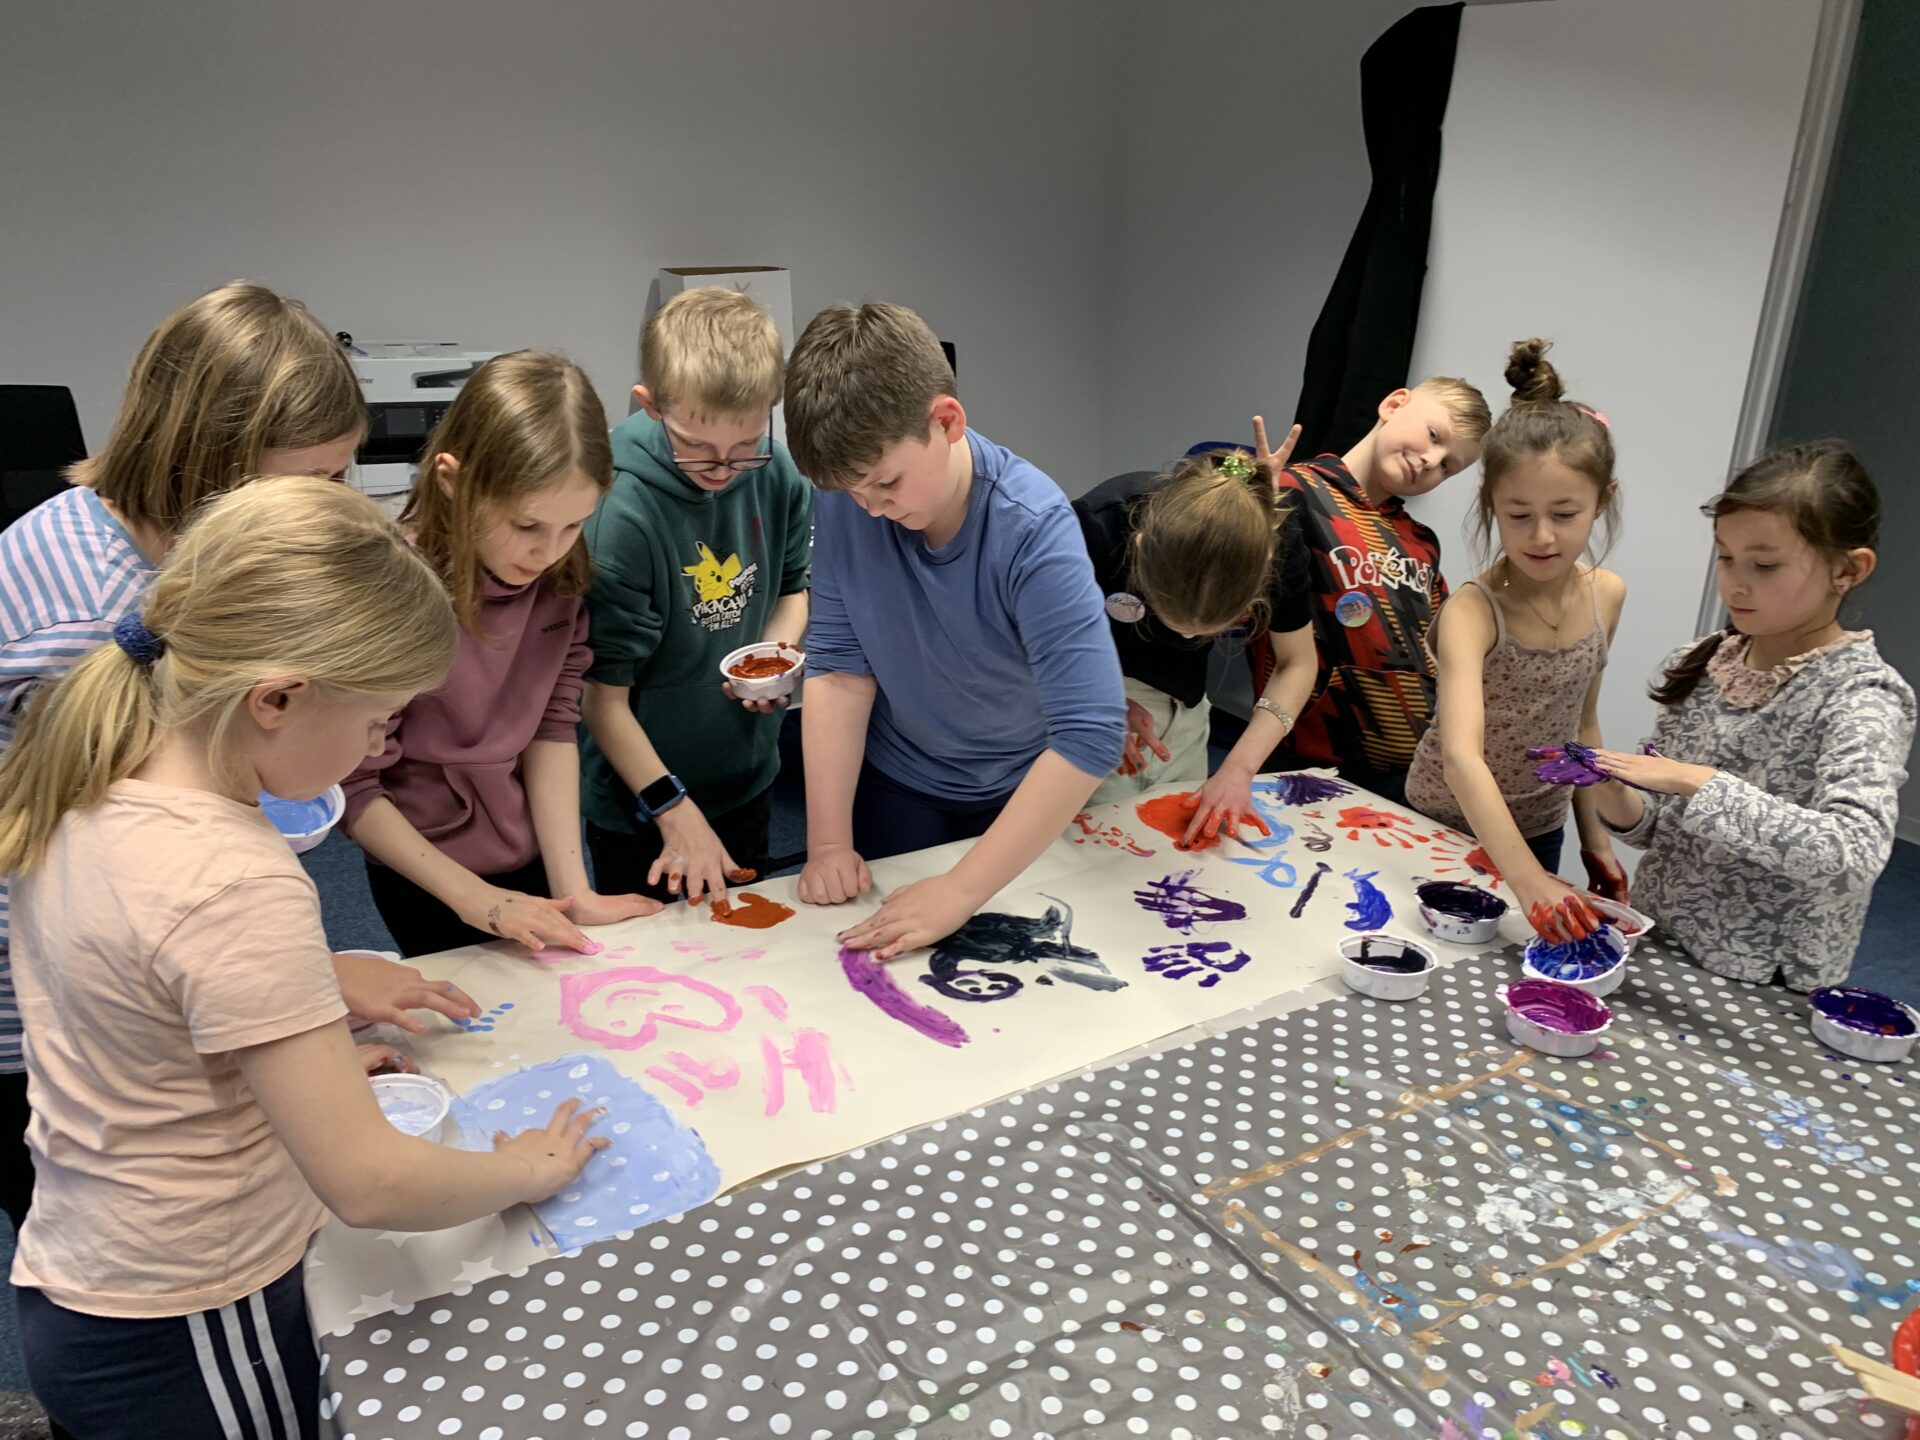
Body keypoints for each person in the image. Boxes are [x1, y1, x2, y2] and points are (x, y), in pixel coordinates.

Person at [0, 480, 606, 1437]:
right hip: (191, 1314)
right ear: (278, 698)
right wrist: (528, 1171)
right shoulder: (234, 877)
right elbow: (372, 1183)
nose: (374, 747)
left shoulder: (95, 769)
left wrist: (301, 1061)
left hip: (90, 1267)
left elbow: (142, 1012)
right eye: (375, 723)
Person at [0, 281, 469, 1235]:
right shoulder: (82, 625)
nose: (328, 504)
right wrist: (291, 1022)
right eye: (310, 480)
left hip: (158, 984)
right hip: (68, 1023)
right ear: (208, 468)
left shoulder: (159, 559)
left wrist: (296, 999)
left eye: (340, 476)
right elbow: (142, 901)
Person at [783, 302, 1125, 958]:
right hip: (899, 774)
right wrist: (827, 843)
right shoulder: (849, 492)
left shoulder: (1034, 527)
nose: (869, 509)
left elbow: (1091, 729)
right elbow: (838, 663)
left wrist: (963, 889)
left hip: (1017, 789)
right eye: (851, 492)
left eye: (885, 484)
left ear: (946, 421)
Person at [344, 351, 660, 957]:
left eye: (574, 526)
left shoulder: (558, 581)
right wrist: (475, 899)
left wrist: (574, 892)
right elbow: (354, 788)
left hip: (526, 843)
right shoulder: (393, 592)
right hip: (425, 868)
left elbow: (552, 729)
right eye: (526, 526)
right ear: (452, 481)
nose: (549, 552)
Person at [1573, 441, 1913, 990]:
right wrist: (1611, 788)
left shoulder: (1862, 694)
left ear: (1848, 570)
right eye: (1725, 557)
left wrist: (1697, 781)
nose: (1735, 582)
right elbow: (1658, 829)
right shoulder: (1701, 661)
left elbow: (1853, 854)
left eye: (1765, 564)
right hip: (1659, 944)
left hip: (1764, 982)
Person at [580, 288, 812, 906]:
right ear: (651, 405)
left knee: (745, 935)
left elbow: (793, 587)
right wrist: (672, 809)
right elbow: (601, 699)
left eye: (745, 445)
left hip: (745, 773)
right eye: (698, 446)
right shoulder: (617, 516)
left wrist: (772, 658)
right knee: (653, 953)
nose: (723, 469)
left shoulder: (778, 474)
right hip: (641, 796)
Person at [1404, 340, 1626, 942]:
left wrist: (1596, 842)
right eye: (1519, 515)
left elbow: (1581, 728)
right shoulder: (1473, 611)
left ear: (1601, 502)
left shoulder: (1607, 595)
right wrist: (1525, 879)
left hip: (1540, 827)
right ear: (1491, 505)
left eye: (1565, 514)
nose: (1542, 536)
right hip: (1444, 823)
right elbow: (1461, 757)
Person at [1262, 375, 1491, 802]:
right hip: (1303, 762)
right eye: (1434, 435)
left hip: (1407, 778)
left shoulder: (1421, 543)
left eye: (1448, 466)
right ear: (1394, 404)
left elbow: (1439, 654)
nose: (1432, 461)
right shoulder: (1293, 494)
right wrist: (1253, 510)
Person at [1073, 444, 1317, 844]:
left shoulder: (1276, 538)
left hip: (1187, 706)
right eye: (1171, 616)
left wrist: (1239, 768)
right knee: (1087, 845)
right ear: (1139, 549)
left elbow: (1297, 663)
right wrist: (1096, 700)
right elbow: (1018, 645)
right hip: (1086, 692)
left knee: (1174, 844)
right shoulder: (1097, 524)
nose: (1188, 638)